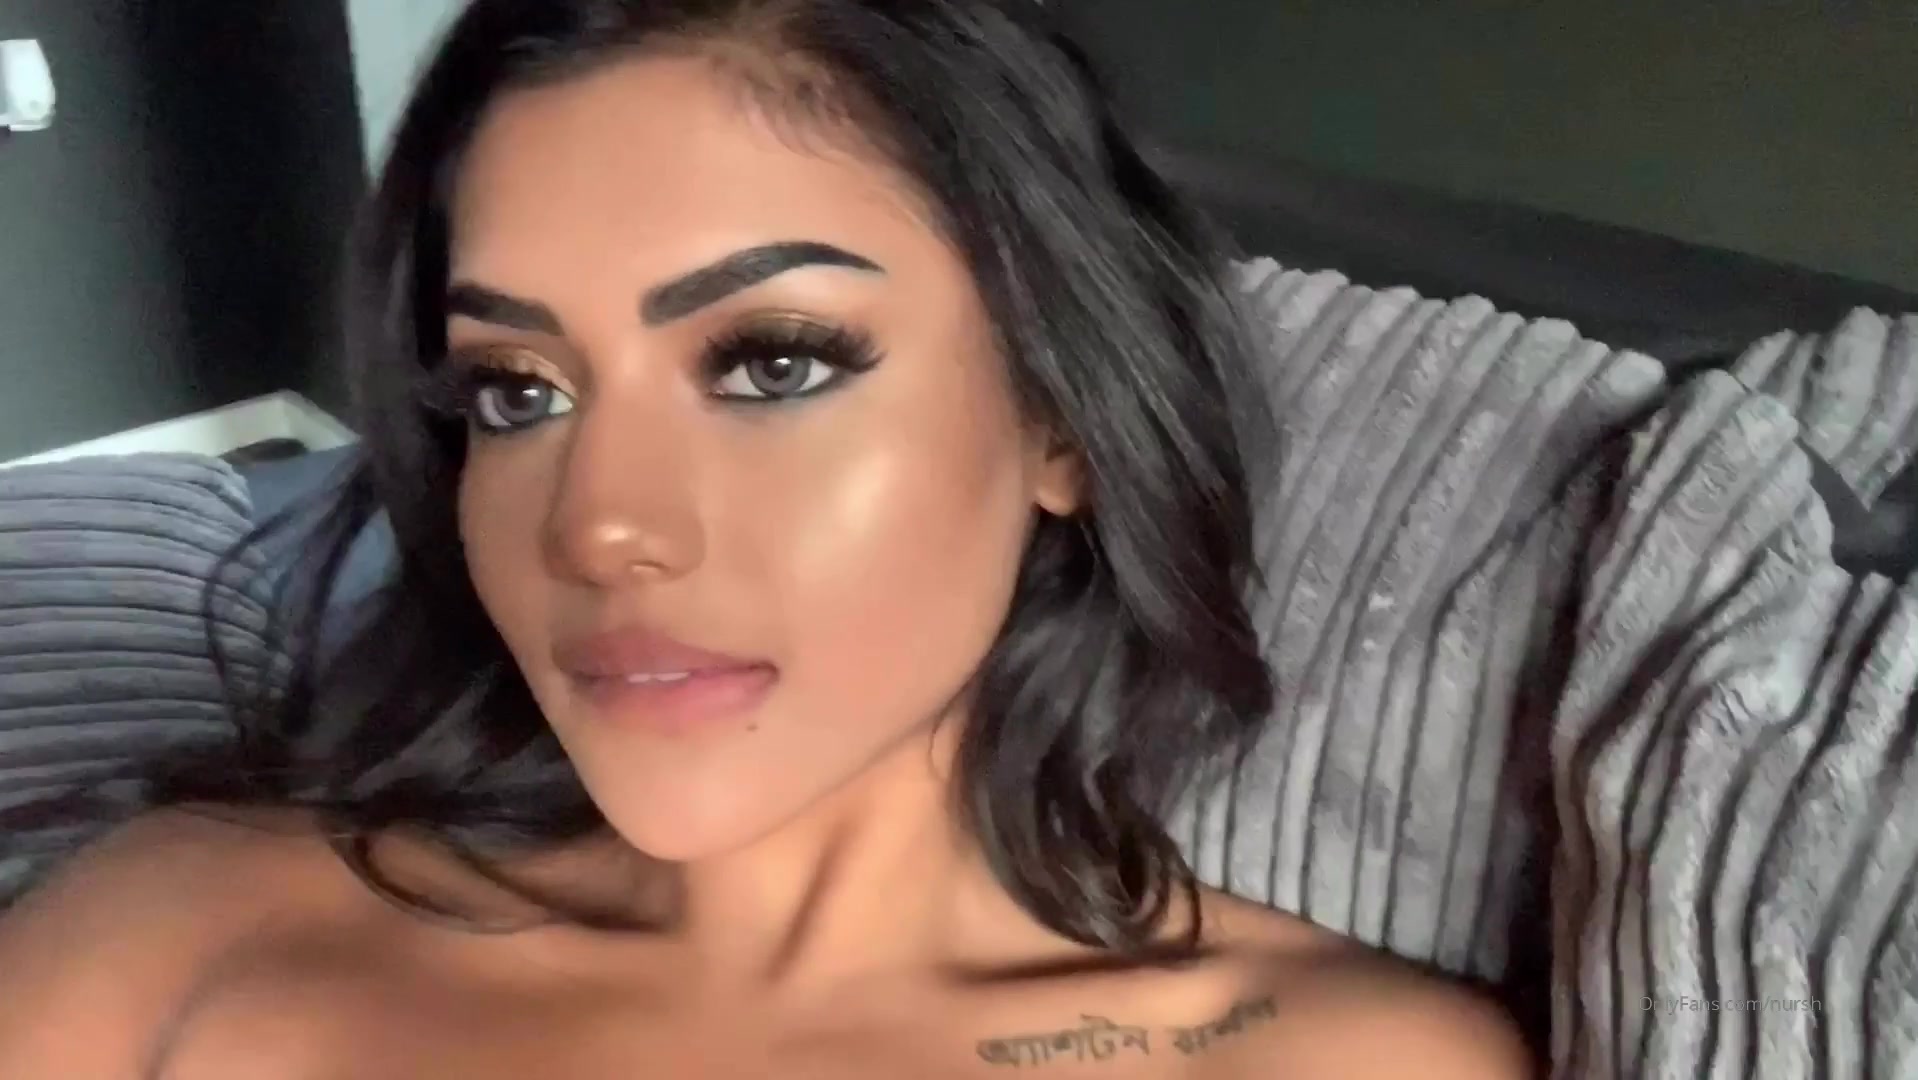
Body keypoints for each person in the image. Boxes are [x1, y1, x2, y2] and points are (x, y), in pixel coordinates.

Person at [0, 1, 1531, 1075]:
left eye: (772, 363)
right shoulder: (180, 923)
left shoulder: (1339, 1060)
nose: (599, 524)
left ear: (1060, 423)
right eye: (516, 391)